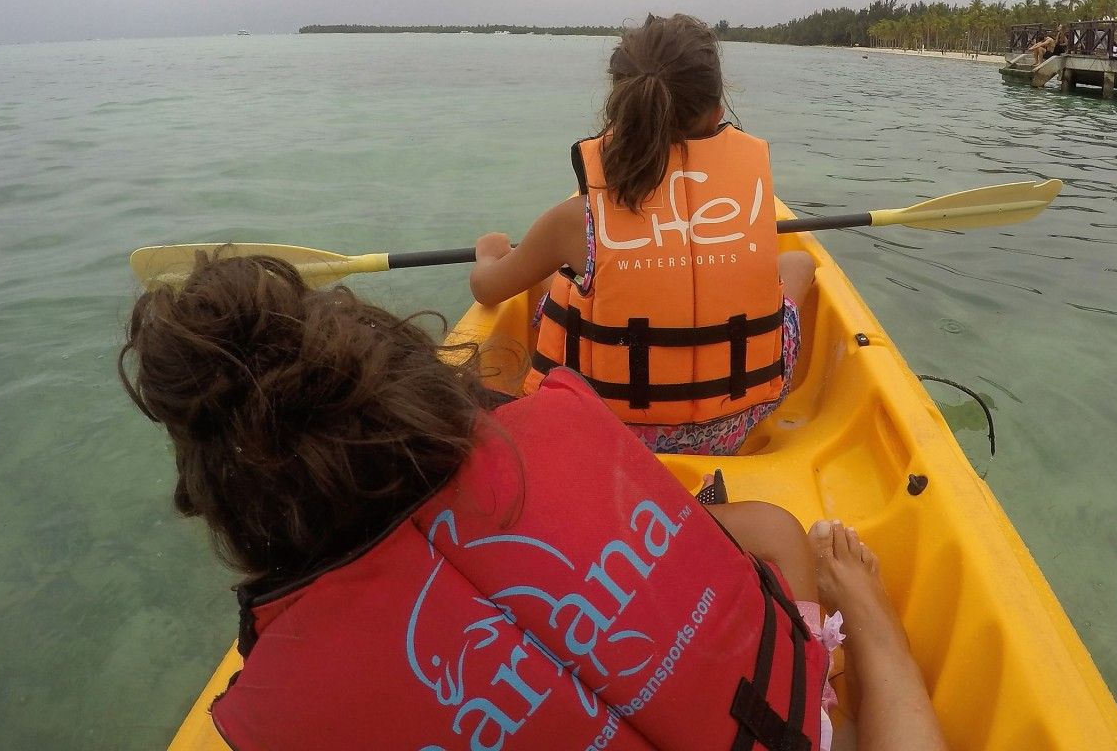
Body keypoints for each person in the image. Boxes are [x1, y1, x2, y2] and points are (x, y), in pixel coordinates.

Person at [119, 254, 946, 751]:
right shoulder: (552, 433)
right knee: (775, 537)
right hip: (784, 729)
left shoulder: (278, 709)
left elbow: (497, 276)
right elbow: (752, 535)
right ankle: (868, 619)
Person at [470, 14, 816, 455]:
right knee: (798, 263)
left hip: (604, 429)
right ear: (717, 113)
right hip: (733, 422)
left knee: (559, 281)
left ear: (621, 107)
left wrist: (489, 253)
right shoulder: (741, 204)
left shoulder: (574, 220)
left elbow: (486, 289)